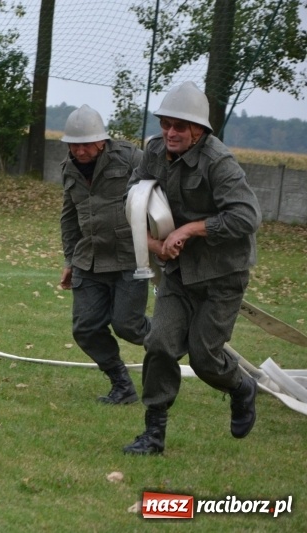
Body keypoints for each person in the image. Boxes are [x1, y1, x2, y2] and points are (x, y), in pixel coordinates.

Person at [123, 82, 262, 455]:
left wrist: (189, 228)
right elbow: (133, 198)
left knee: (204, 358)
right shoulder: (154, 152)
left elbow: (248, 217)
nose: (170, 132)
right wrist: (154, 245)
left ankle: (241, 387)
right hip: (179, 273)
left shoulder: (219, 162)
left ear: (199, 131)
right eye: (166, 124)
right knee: (160, 344)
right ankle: (153, 434)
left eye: (180, 127)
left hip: (223, 275)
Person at [59, 104, 149, 405]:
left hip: (130, 256)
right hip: (89, 259)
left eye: (85, 144)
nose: (79, 151)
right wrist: (70, 260)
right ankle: (122, 385)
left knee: (129, 326)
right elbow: (69, 217)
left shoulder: (132, 158)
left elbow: (160, 195)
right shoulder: (68, 167)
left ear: (101, 141)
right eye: (74, 145)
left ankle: (168, 341)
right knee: (85, 328)